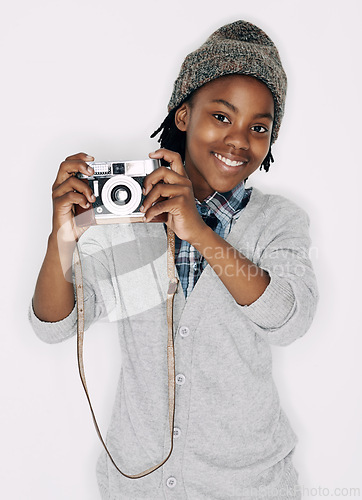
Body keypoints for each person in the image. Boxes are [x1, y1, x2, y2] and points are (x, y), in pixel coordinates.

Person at [30, 20, 318, 499]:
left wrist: (199, 232)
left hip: (249, 486)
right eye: (221, 116)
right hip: (139, 484)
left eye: (259, 127)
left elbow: (289, 320)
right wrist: (60, 237)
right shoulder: (129, 216)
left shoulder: (278, 221)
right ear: (183, 115)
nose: (238, 140)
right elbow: (55, 326)